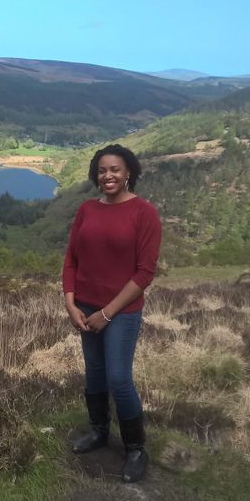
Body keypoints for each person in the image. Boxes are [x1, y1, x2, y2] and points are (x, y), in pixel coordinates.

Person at [62, 143, 161, 483]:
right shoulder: (87, 209)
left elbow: (144, 273)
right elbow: (71, 260)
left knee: (119, 379)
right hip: (85, 308)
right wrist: (70, 303)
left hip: (121, 311)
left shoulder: (144, 213)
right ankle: (99, 432)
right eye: (102, 170)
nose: (108, 176)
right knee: (94, 374)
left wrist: (107, 313)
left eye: (115, 169)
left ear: (128, 172)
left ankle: (135, 448)